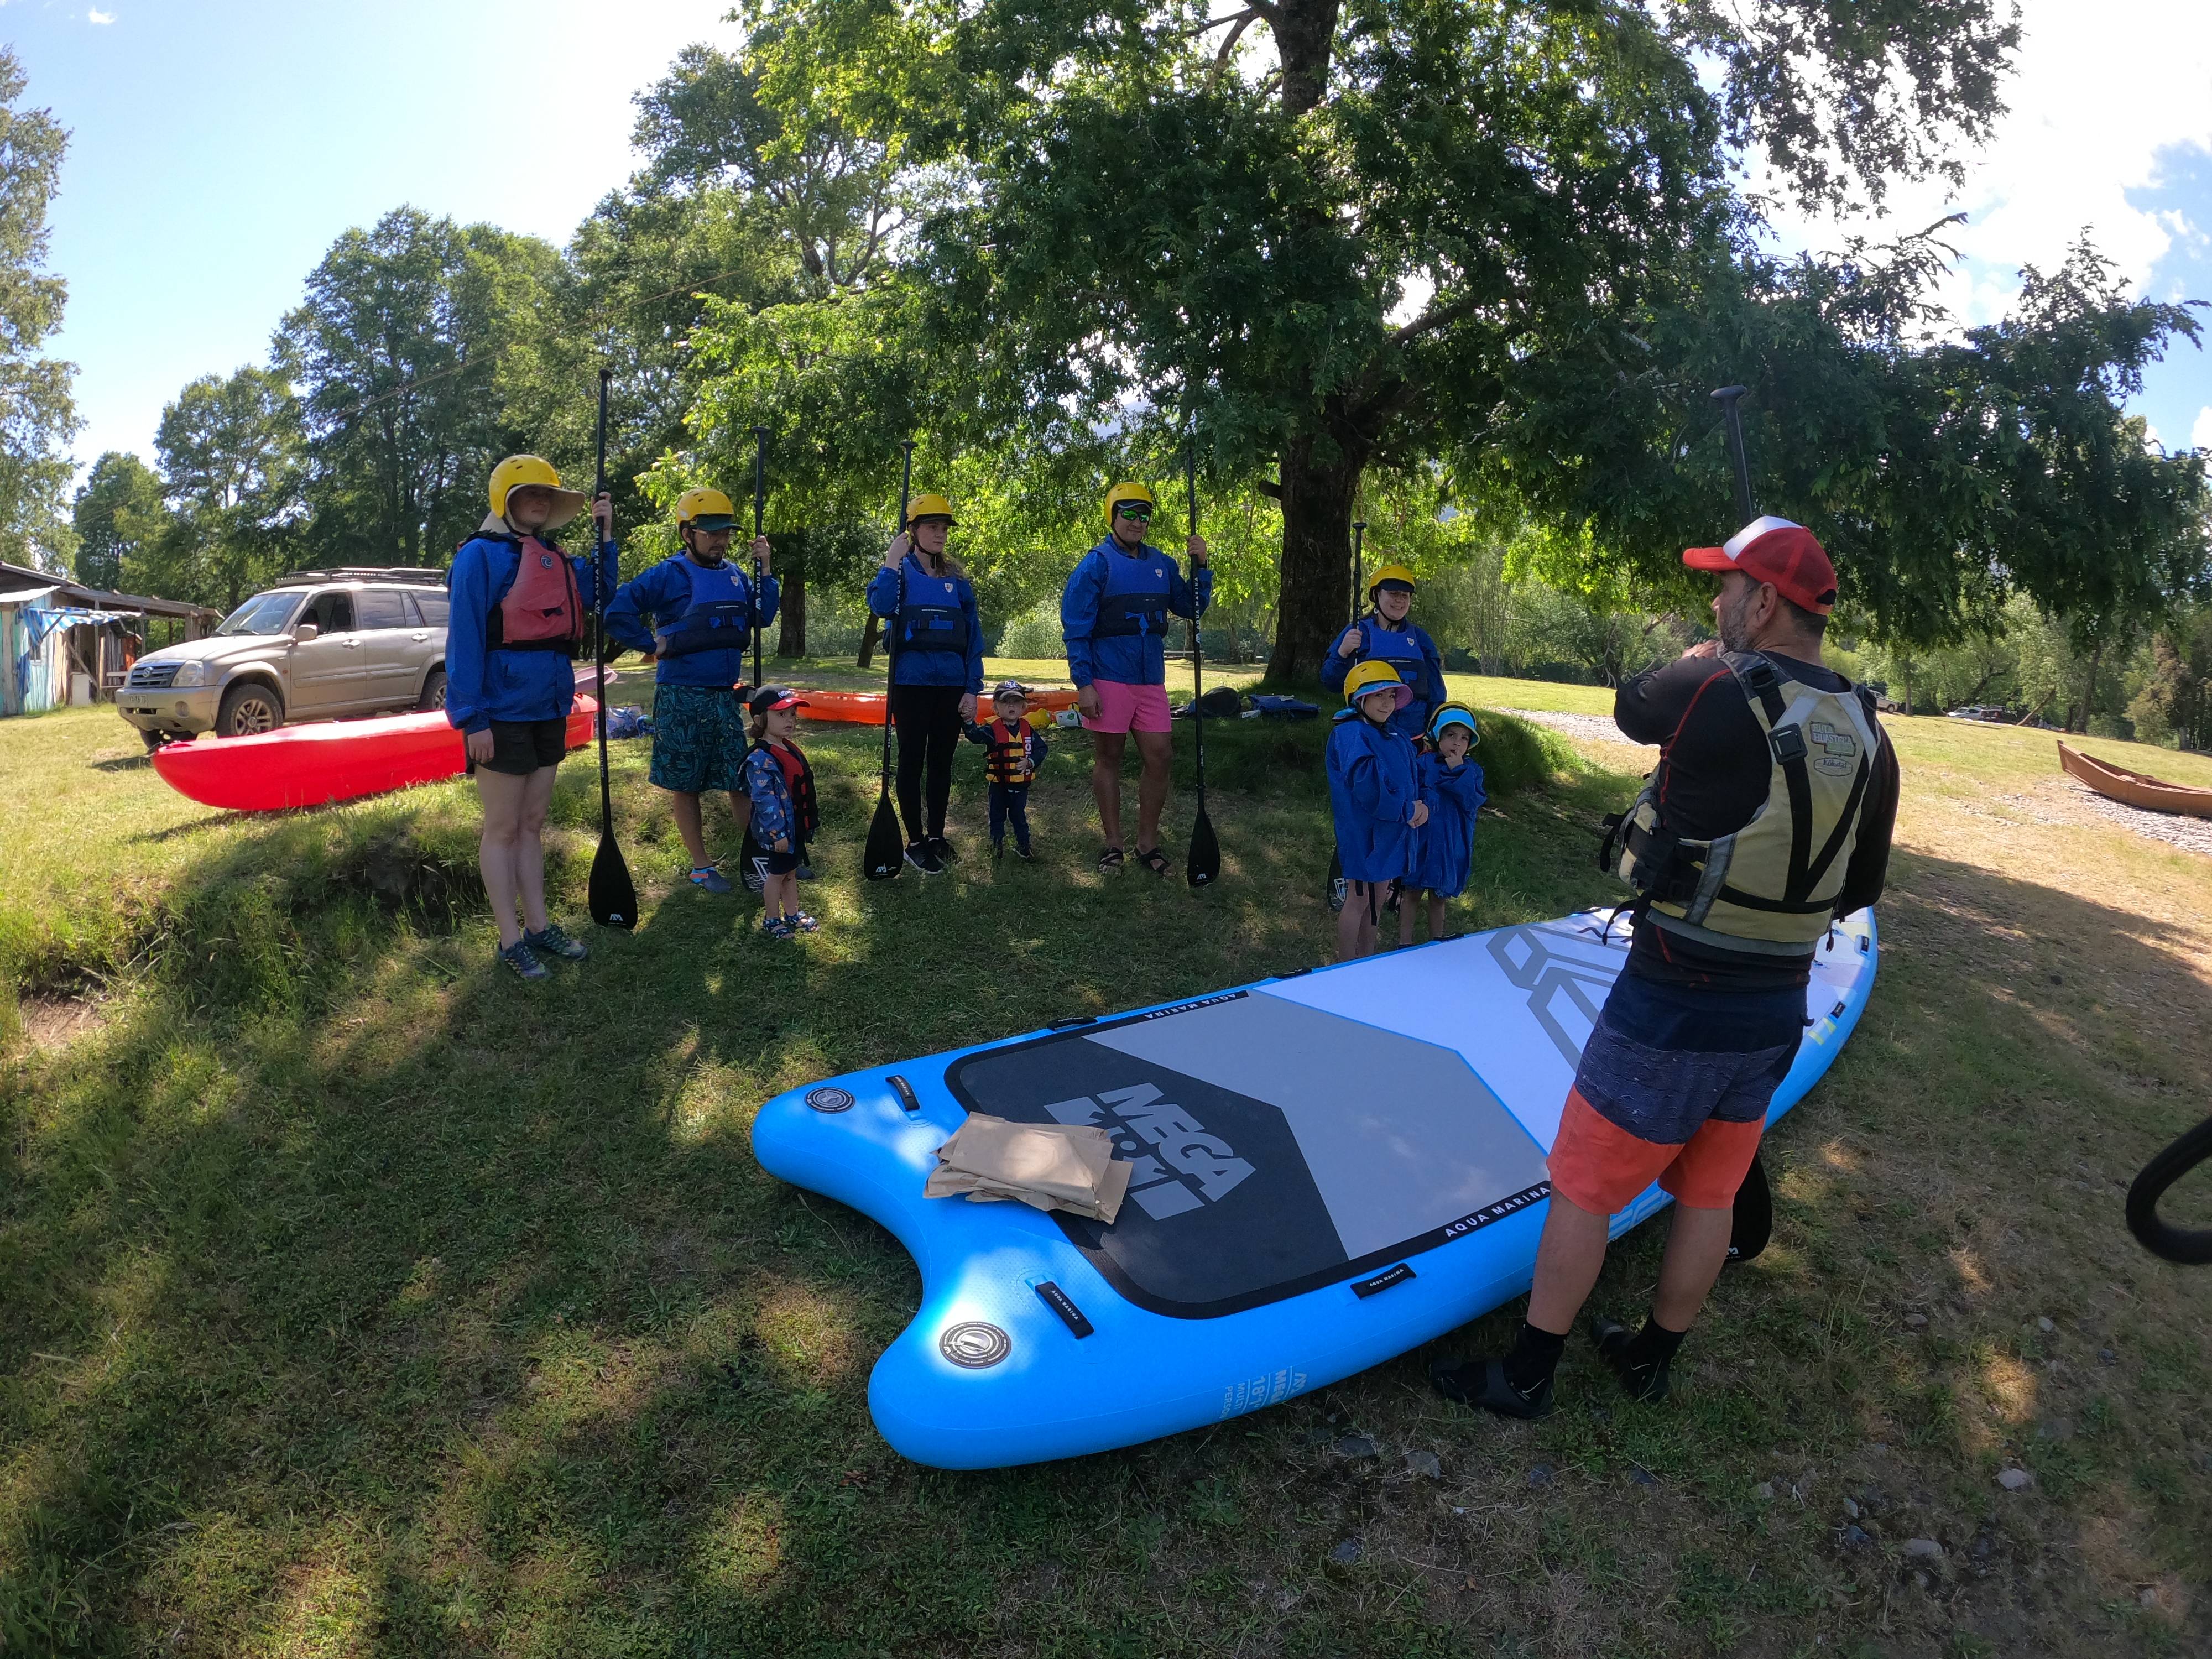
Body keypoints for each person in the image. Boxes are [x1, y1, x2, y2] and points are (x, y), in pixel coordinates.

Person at [1431, 515, 1900, 1417]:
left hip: (1672, 999)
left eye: (1726, 589)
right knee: (1711, 1188)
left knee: (1582, 1184)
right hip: (1775, 1010)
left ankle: (1528, 1375)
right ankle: (1653, 1358)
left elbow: (1630, 704)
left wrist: (1708, 656)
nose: (1715, 601)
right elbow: (1859, 889)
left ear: (1764, 603)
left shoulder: (1712, 684)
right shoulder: (1871, 730)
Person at [446, 454, 617, 980]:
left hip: (547, 708)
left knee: (532, 824)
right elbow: (465, 639)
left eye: (548, 494)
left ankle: (540, 927)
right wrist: (471, 717)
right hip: (499, 712)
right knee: (501, 828)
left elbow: (600, 595)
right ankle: (509, 938)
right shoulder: (479, 557)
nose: (541, 500)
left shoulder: (554, 555)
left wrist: (606, 538)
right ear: (506, 498)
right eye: (530, 493)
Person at [603, 487, 776, 893]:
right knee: (687, 783)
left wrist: (765, 569)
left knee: (740, 778)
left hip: (723, 696)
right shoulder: (670, 574)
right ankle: (701, 866)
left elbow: (762, 616)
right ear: (688, 533)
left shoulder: (736, 573)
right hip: (681, 696)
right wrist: (650, 645)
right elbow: (616, 610)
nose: (720, 540)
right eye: (710, 532)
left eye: (726, 532)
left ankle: (763, 853)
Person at [1061, 482, 1212, 875]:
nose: (1137, 522)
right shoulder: (1096, 564)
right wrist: (1084, 683)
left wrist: (1202, 568)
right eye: (1129, 514)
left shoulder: (1162, 563)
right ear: (1113, 516)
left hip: (1150, 680)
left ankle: (1148, 844)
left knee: (1160, 757)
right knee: (1109, 758)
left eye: (1144, 515)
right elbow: (1076, 628)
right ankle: (1113, 845)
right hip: (1108, 676)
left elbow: (1191, 608)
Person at [867, 493, 984, 874]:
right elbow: (882, 607)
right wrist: (889, 561)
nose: (940, 534)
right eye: (932, 527)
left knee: (941, 763)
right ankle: (914, 842)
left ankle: (936, 835)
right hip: (911, 684)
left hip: (951, 685)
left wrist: (972, 688)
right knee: (912, 761)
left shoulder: (958, 582)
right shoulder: (899, 574)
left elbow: (973, 639)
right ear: (913, 530)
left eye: (944, 527)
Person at [1327, 660, 1430, 961]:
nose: (1387, 702)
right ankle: (1346, 964)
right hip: (1365, 833)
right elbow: (1368, 787)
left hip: (1392, 830)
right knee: (1358, 900)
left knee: (1377, 899)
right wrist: (1405, 810)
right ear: (1360, 699)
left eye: (1391, 696)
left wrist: (1420, 805)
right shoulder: (1351, 734)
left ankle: (1367, 958)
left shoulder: (1395, 735)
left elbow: (1411, 778)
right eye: (1379, 695)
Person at [1321, 564, 1447, 744]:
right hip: (1369, 735)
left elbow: (1436, 692)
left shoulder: (1421, 639)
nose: (1400, 600)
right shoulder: (1358, 631)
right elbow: (1330, 682)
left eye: (1405, 596)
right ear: (1376, 595)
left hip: (1413, 737)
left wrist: (1434, 732)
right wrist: (1342, 653)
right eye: (1393, 594)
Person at [1398, 703, 1486, 946]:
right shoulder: (1424, 764)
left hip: (1450, 843)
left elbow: (1472, 800)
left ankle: (1436, 941)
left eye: (1464, 738)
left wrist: (1457, 772)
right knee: (1412, 892)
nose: (1457, 743)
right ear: (1437, 736)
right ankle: (1404, 942)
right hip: (1423, 840)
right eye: (1450, 735)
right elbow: (1412, 793)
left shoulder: (1472, 771)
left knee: (1440, 896)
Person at [742, 685, 820, 938]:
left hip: (795, 826)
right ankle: (771, 919)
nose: (790, 720)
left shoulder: (788, 747)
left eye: (792, 714)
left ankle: (793, 914)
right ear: (759, 720)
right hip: (781, 831)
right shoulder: (761, 758)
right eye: (781, 715)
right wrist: (777, 834)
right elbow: (765, 801)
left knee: (790, 873)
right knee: (777, 876)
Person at [964, 680, 1050, 862]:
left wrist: (1030, 762)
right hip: (998, 785)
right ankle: (997, 846)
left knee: (1019, 816)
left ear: (1024, 707)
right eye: (1005, 702)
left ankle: (1024, 846)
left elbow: (1042, 749)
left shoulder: (1028, 729)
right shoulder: (992, 729)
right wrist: (968, 722)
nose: (1011, 706)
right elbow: (975, 736)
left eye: (1016, 702)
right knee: (997, 816)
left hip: (1021, 785)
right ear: (996, 708)